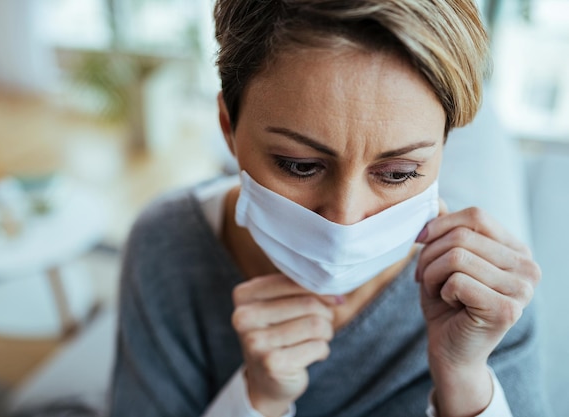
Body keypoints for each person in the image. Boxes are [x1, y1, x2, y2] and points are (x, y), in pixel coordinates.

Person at [109, 1, 548, 416]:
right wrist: (256, 400)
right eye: (299, 166)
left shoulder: (488, 298)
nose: (344, 217)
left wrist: (466, 382)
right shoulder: (166, 250)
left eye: (397, 173)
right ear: (229, 128)